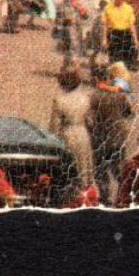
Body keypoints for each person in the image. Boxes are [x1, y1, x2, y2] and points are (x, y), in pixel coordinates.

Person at [87, 64, 133, 202]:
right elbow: (129, 113)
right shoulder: (119, 95)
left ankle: (106, 198)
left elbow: (89, 119)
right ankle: (125, 193)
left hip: (102, 139)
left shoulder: (94, 97)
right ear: (108, 79)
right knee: (117, 167)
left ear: (96, 80)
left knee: (101, 170)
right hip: (119, 137)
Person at [47, 67, 95, 195]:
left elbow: (54, 126)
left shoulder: (59, 100)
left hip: (67, 134)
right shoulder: (85, 98)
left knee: (69, 168)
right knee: (83, 167)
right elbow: (91, 122)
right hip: (82, 133)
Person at [102, 0, 139, 68]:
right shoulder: (108, 8)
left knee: (125, 59)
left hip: (125, 34)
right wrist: (104, 39)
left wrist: (135, 39)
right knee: (114, 59)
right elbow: (104, 25)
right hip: (113, 34)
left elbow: (132, 25)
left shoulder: (129, 9)